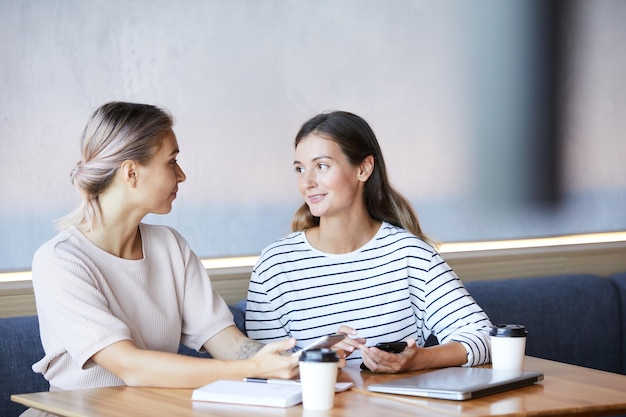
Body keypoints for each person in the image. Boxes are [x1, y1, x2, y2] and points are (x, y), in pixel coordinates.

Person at [23, 102, 299, 416]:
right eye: (172, 162)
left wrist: (295, 361)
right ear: (131, 172)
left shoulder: (169, 246)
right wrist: (253, 369)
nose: (182, 175)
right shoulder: (60, 261)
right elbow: (131, 367)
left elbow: (226, 341)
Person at [245, 110, 492, 373]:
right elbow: (261, 369)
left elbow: (485, 337)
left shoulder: (410, 255)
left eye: (322, 166)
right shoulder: (277, 264)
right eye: (300, 169)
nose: (307, 182)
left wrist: (418, 360)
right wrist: (318, 358)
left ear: (363, 169)